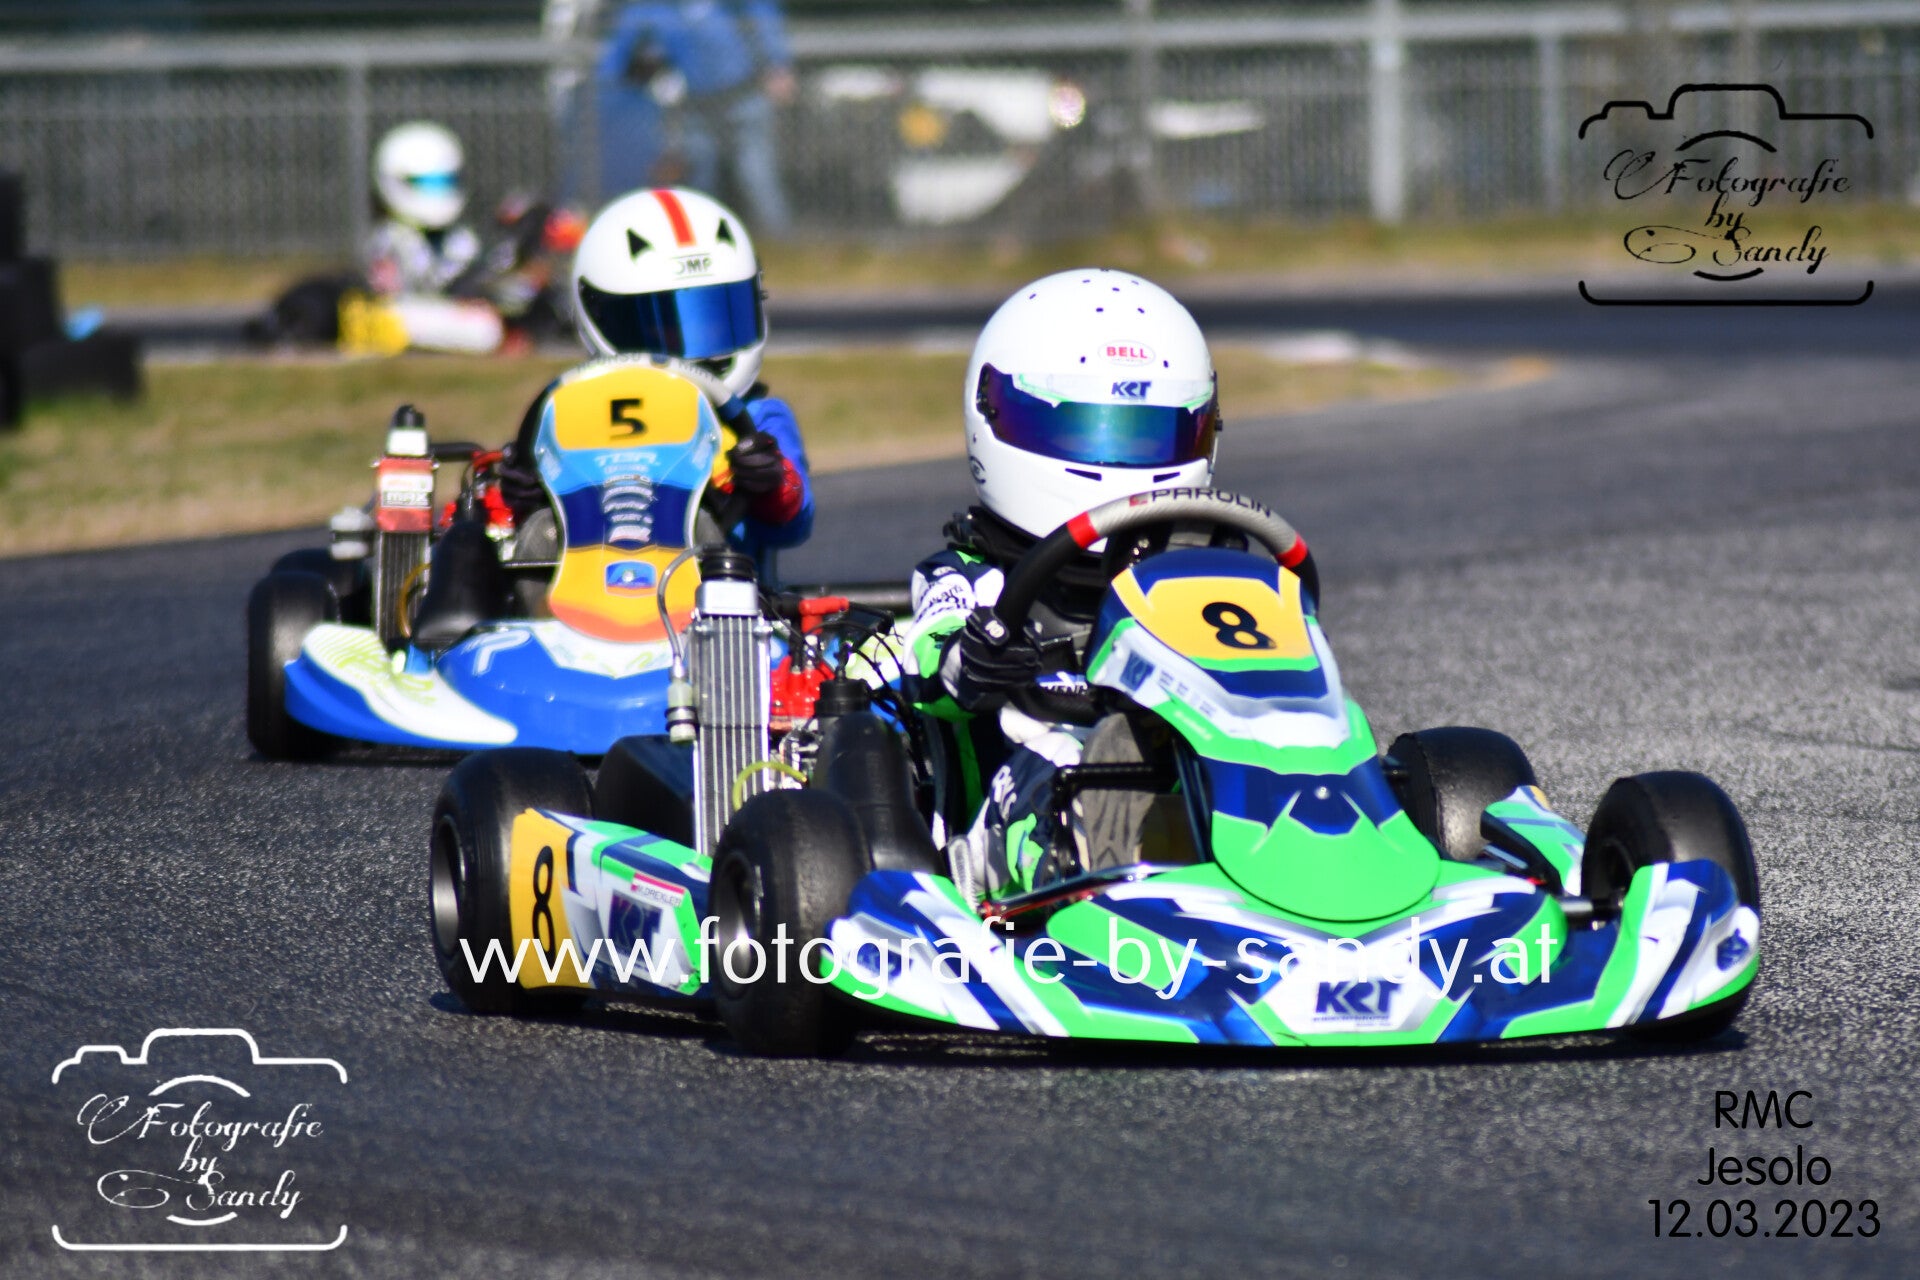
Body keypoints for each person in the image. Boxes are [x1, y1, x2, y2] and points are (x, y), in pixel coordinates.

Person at [900, 269, 1316, 906]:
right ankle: (1092, 881)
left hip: (1186, 768)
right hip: (1026, 794)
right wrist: (976, 656)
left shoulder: (1206, 569)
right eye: (1089, 429)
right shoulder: (970, 573)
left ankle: (1342, 858)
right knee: (1076, 763)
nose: (1121, 461)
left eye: (1150, 432)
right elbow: (934, 653)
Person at [492, 185, 810, 582]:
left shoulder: (759, 419)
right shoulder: (574, 415)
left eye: (716, 318)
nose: (700, 352)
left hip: (719, 606)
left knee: (705, 531)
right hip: (580, 600)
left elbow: (794, 521)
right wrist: (522, 494)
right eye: (666, 327)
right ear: (601, 313)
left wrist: (769, 482)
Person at [595, 2, 795, 235]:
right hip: (695, 107)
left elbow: (763, 17)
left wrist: (777, 64)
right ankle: (705, 241)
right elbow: (617, 56)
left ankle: (782, 240)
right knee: (700, 182)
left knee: (757, 177)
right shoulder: (650, 8)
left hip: (743, 97)